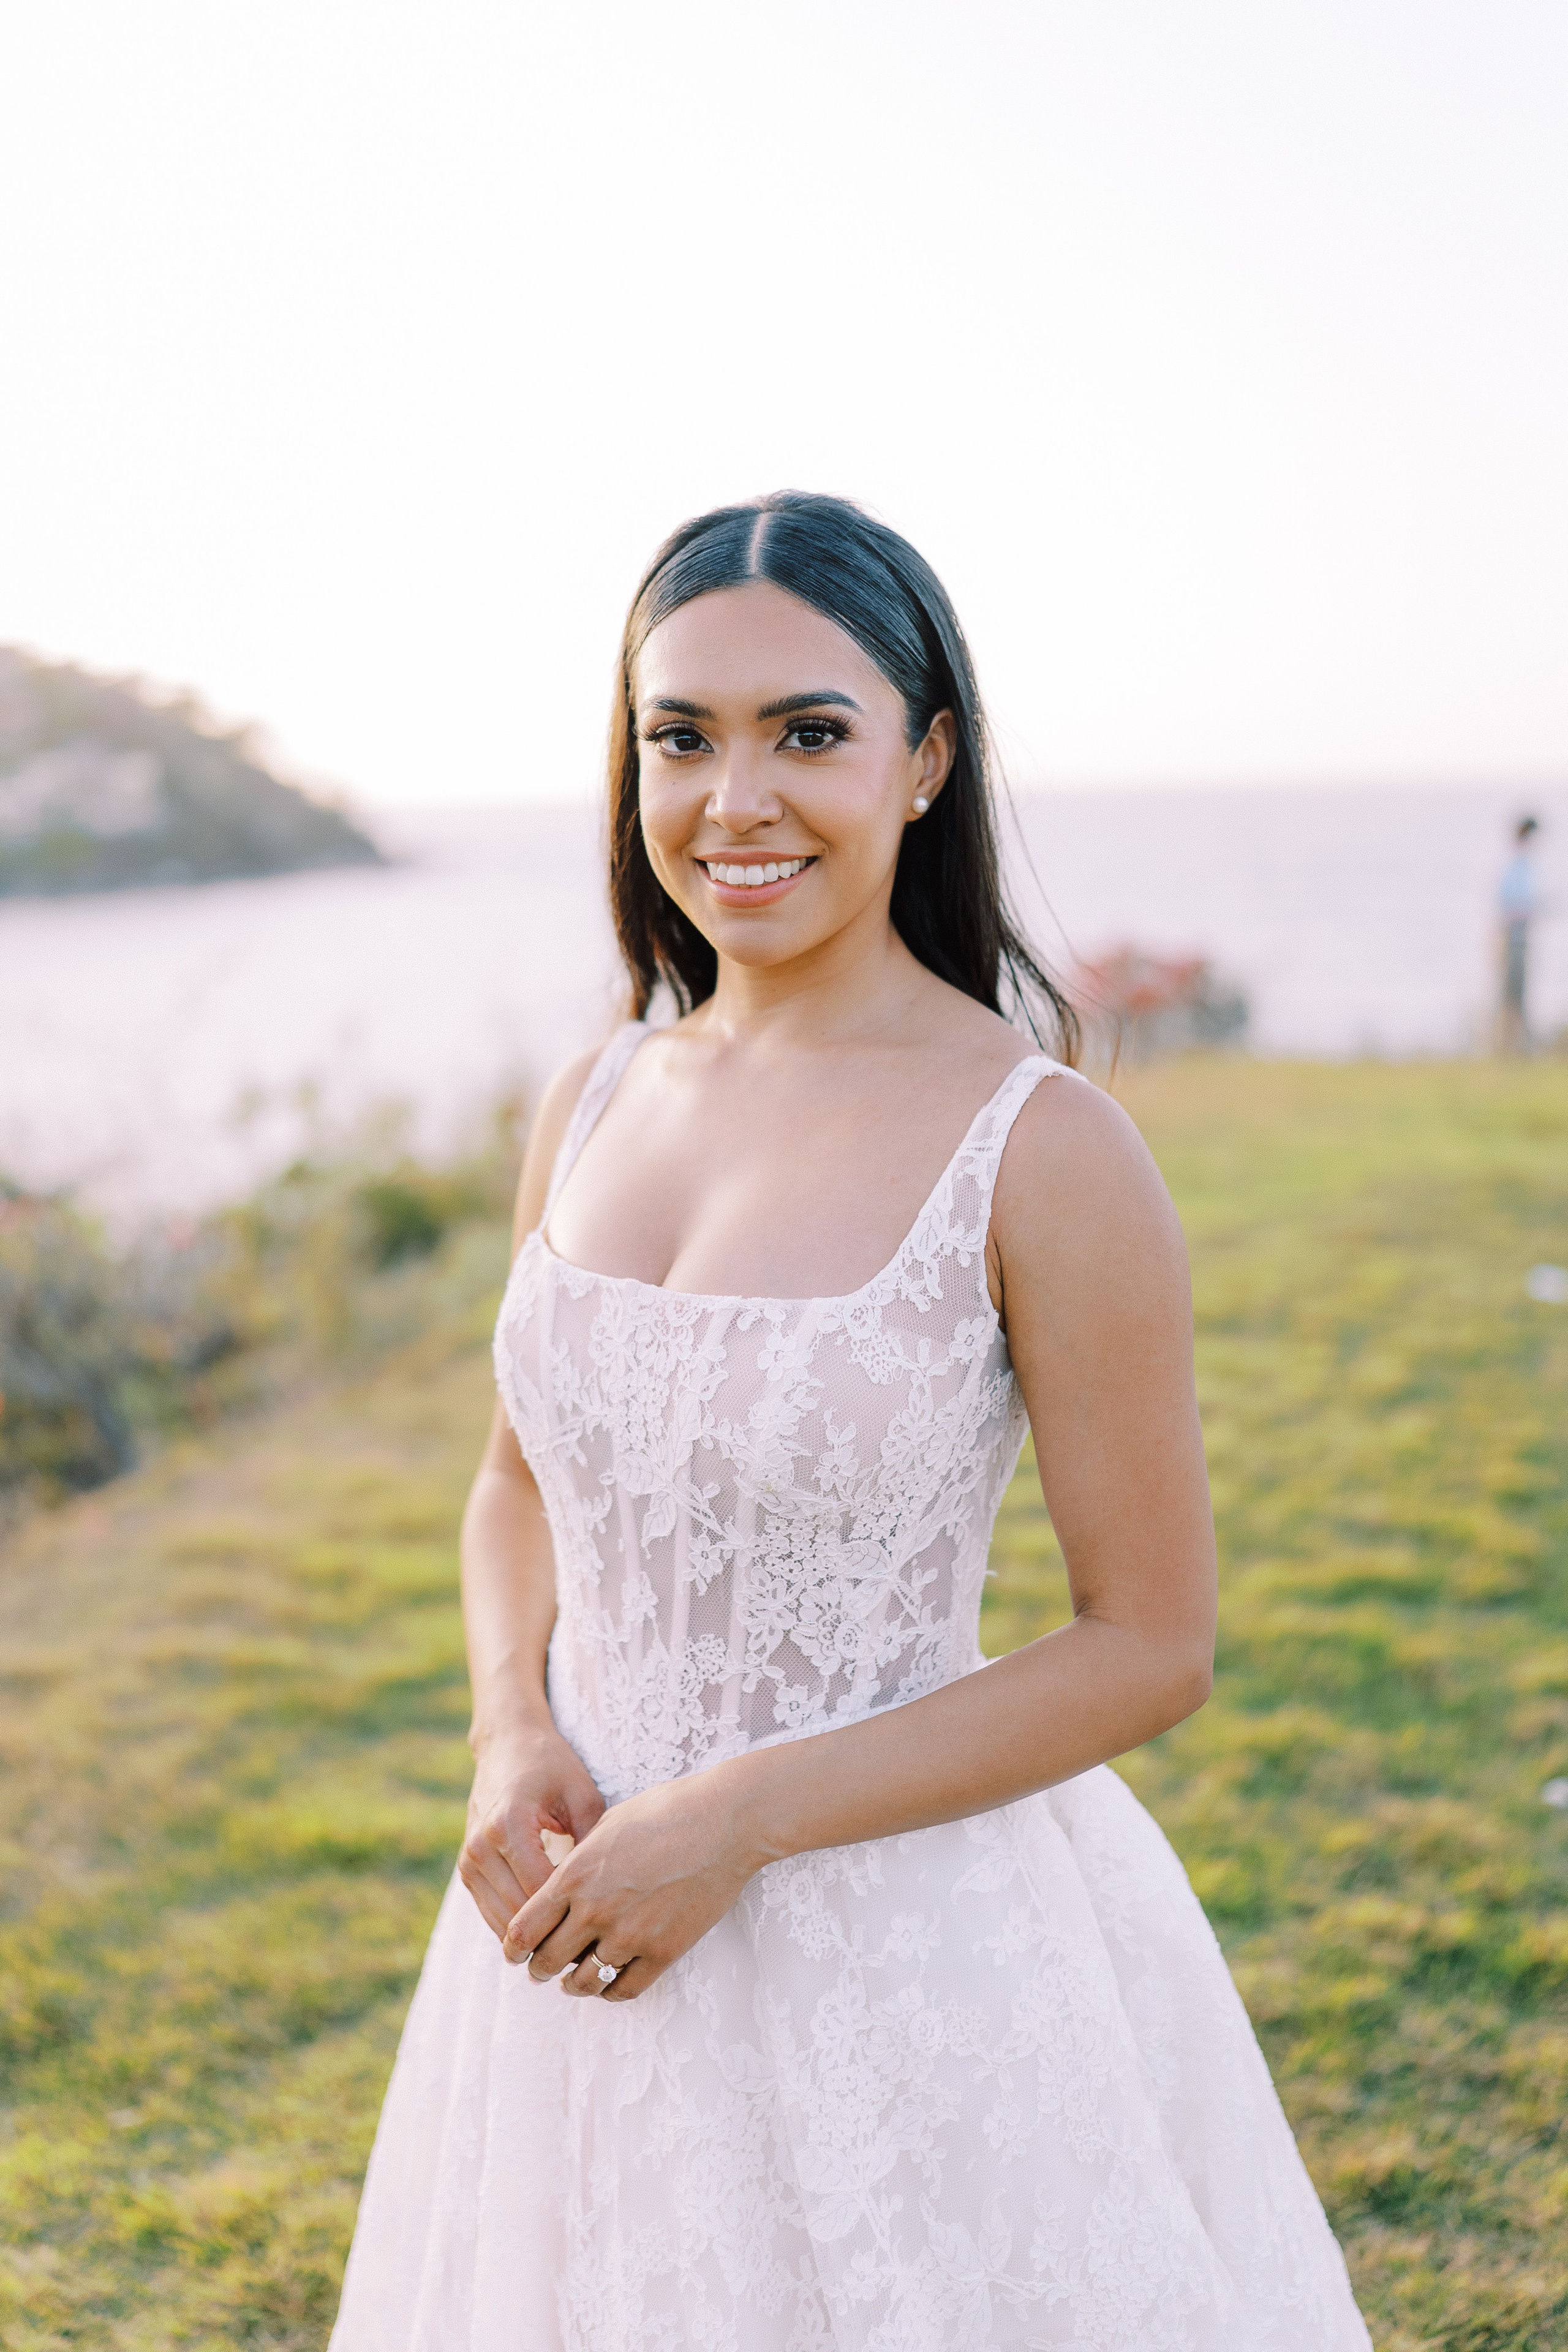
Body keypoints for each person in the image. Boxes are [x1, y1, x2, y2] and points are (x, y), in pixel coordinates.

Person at [331, 492, 1371, 2350]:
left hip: (908, 1960)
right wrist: (509, 1734)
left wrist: (733, 1814)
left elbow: (1151, 1642)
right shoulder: (591, 1093)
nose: (734, 799)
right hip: (570, 1931)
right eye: (681, 736)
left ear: (923, 760)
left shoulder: (1040, 1147)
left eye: (807, 732)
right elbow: (513, 1482)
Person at [1497, 814, 1541, 1054]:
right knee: (1512, 994)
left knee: (1517, 993)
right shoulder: (1515, 864)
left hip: (1518, 938)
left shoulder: (1521, 864)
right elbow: (1509, 907)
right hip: (1514, 938)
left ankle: (1518, 1048)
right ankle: (1512, 1049)